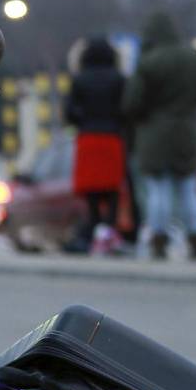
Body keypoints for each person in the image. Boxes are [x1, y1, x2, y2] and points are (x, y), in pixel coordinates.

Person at [122, 12, 196, 260]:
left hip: (154, 133)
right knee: (187, 187)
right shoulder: (194, 58)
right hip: (187, 131)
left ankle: (159, 240)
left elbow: (132, 103)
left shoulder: (149, 62)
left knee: (158, 188)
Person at [63, 37, 126, 253]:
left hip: (88, 138)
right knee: (112, 188)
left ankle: (95, 227)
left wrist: (85, 119)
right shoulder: (119, 79)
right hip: (112, 138)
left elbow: (69, 113)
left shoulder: (80, 80)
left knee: (91, 189)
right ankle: (109, 229)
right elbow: (126, 109)